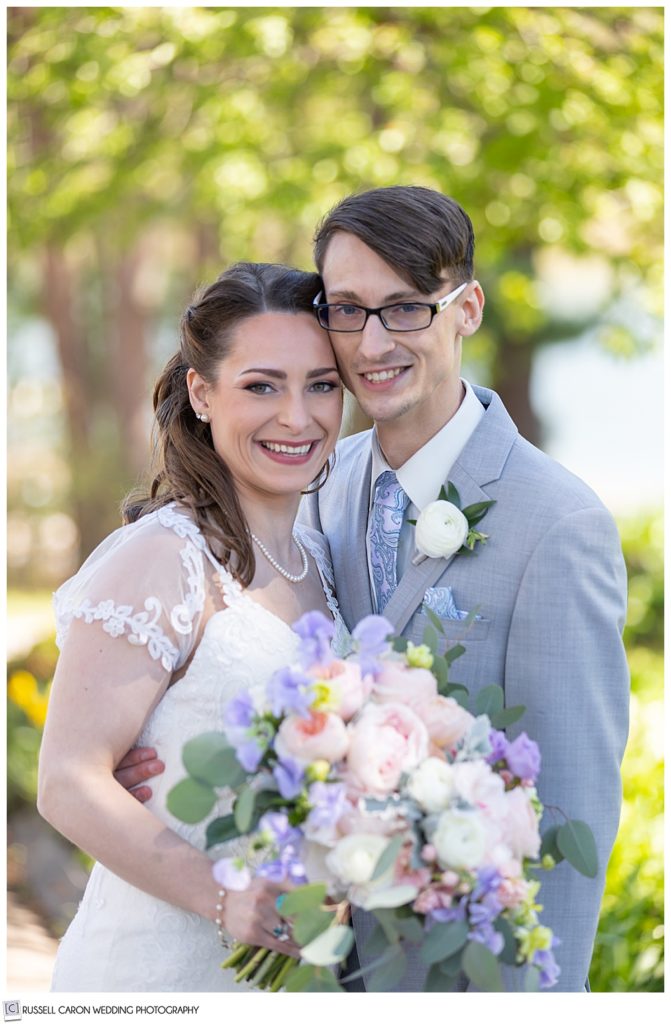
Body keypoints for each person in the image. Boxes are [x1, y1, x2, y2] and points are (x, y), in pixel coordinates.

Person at [116, 186, 630, 992]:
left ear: (465, 310)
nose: (372, 341)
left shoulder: (557, 525)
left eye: (406, 309)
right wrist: (163, 742)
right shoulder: (316, 478)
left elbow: (572, 806)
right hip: (299, 968)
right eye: (347, 309)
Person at [37, 262, 347, 991]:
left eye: (322, 385)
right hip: (157, 974)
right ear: (202, 392)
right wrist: (224, 895)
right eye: (261, 385)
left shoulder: (325, 561)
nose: (297, 417)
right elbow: (67, 781)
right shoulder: (164, 558)